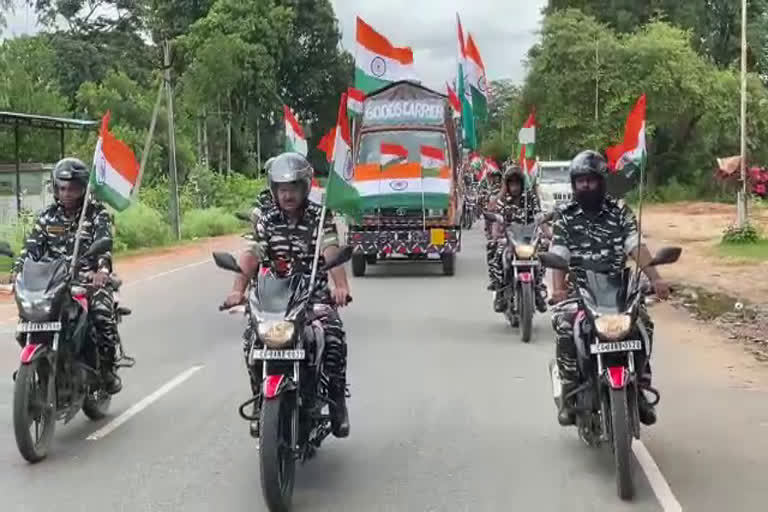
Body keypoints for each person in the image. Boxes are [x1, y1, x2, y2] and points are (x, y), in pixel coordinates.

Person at [222, 152, 352, 438]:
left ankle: (337, 402)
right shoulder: (266, 220)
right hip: (273, 299)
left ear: (304, 188)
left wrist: (339, 286)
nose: (287, 194)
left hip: (311, 296)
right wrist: (236, 291)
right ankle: (260, 399)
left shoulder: (319, 218)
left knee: (332, 335)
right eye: (281, 188)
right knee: (251, 340)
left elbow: (330, 249)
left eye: (292, 187)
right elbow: (252, 253)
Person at [549, 150, 670, 427]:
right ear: (573, 184)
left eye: (590, 181)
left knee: (642, 324)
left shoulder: (619, 212)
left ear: (601, 181)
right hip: (581, 292)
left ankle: (639, 385)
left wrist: (656, 278)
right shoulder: (565, 217)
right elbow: (559, 254)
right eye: (580, 181)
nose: (585, 186)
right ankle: (569, 389)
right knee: (565, 327)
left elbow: (634, 246)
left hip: (618, 290)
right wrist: (558, 288)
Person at [12, 158, 123, 394]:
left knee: (102, 314)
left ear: (83, 188)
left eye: (72, 188)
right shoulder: (47, 217)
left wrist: (101, 272)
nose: (67, 193)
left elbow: (104, 246)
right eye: (62, 188)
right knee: (27, 317)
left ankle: (106, 371)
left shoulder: (96, 215)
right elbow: (30, 250)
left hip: (86, 279)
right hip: (51, 281)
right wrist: (17, 272)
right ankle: (36, 364)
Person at [488, 165, 548, 313]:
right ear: (507, 184)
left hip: (528, 238)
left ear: (522, 183)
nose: (514, 187)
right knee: (494, 250)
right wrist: (495, 235)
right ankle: (499, 289)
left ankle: (538, 288)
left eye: (517, 183)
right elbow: (496, 218)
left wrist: (548, 233)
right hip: (509, 239)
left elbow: (540, 217)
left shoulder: (530, 198)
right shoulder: (503, 199)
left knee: (543, 252)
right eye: (511, 183)